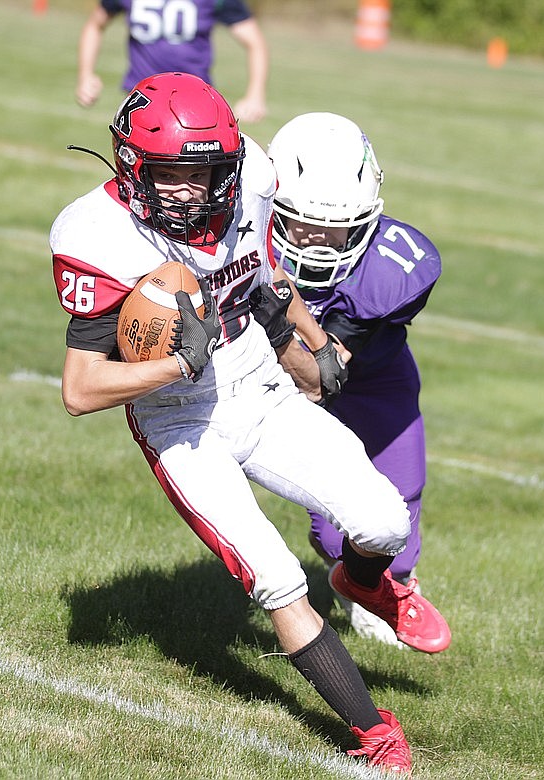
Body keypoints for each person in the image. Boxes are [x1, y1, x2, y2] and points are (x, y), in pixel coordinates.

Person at [50, 72, 450, 773]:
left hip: (259, 385)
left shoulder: (252, 180)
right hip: (182, 422)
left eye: (207, 172)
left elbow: (263, 274)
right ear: (132, 165)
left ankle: (362, 582)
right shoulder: (97, 235)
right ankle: (373, 732)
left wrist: (313, 343)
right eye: (174, 174)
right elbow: (81, 390)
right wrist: (174, 366)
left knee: (385, 520)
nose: (194, 190)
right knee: (276, 580)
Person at [267, 112, 444, 648]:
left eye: (337, 227)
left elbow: (327, 369)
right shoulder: (246, 245)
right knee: (332, 527)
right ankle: (352, 572)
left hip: (372, 374)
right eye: (304, 224)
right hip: (276, 378)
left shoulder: (394, 266)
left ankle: (391, 587)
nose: (320, 240)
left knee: (403, 485)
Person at [74, 0, 267, 123]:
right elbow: (95, 25)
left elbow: (254, 42)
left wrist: (255, 95)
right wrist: (85, 75)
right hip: (142, 100)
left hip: (195, 100)